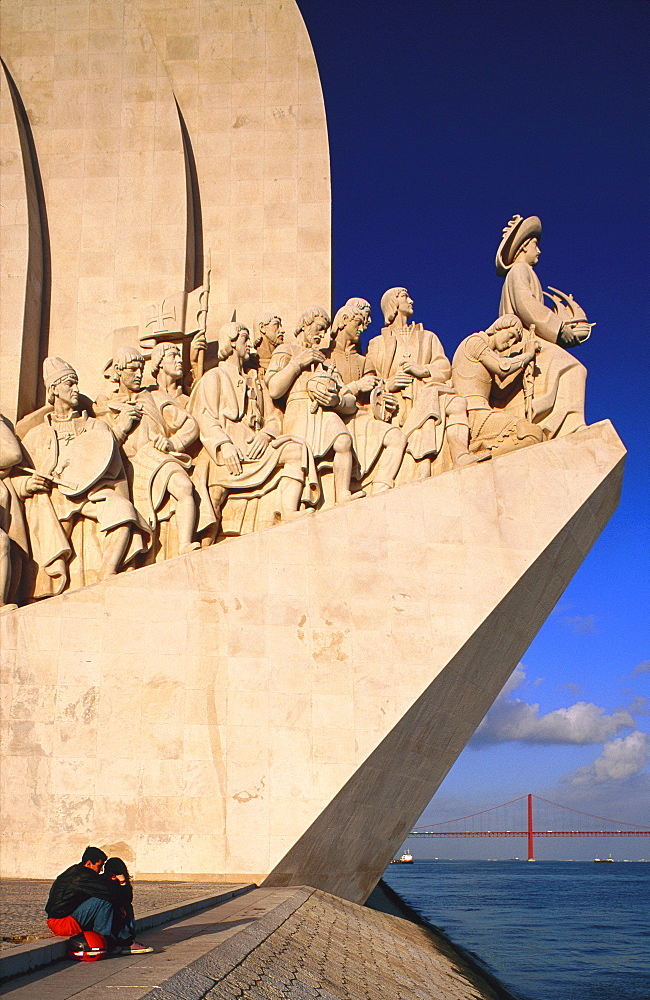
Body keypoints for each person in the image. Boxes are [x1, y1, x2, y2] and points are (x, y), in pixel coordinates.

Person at [15, 358, 151, 597]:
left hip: (92, 494)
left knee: (122, 511)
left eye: (76, 383)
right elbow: (13, 477)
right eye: (70, 383)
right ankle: (39, 588)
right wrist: (27, 484)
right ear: (54, 389)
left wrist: (123, 499)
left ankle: (108, 572)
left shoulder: (97, 427)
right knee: (49, 524)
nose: (76, 389)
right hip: (54, 498)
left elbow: (115, 470)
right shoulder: (36, 435)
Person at [189, 322, 316, 535]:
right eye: (245, 339)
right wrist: (224, 445)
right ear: (231, 342)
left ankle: (289, 510)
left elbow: (275, 417)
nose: (250, 345)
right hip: (229, 451)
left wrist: (266, 435)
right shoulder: (214, 377)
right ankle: (203, 543)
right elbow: (204, 415)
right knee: (214, 496)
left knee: (296, 450)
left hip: (257, 448)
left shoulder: (255, 381)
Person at [366, 288, 478, 479]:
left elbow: (444, 366)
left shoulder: (428, 337)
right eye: (405, 297)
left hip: (428, 390)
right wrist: (388, 384)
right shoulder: (377, 343)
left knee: (456, 402)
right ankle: (422, 465)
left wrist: (423, 370)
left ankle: (460, 455)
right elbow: (370, 380)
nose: (411, 301)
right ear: (393, 304)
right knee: (430, 400)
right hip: (397, 402)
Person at [495, 214, 591, 437]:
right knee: (574, 368)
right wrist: (558, 328)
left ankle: (563, 423)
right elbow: (526, 306)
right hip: (521, 341)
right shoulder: (519, 271)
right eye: (535, 245)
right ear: (523, 248)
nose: (538, 251)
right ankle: (565, 426)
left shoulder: (527, 273)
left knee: (572, 368)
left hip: (534, 338)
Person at [265, 307, 364, 505]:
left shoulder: (326, 362)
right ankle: (294, 505)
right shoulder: (286, 351)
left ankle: (342, 493)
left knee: (343, 441)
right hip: (299, 409)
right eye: (318, 328)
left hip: (325, 411)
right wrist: (298, 363)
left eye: (325, 330)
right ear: (305, 326)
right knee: (300, 458)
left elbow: (349, 399)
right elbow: (274, 389)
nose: (321, 334)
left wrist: (337, 401)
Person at [330, 298, 407, 494]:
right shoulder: (324, 357)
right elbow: (324, 395)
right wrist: (355, 386)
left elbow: (376, 396)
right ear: (344, 320)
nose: (362, 329)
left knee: (396, 437)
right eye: (358, 323)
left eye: (365, 324)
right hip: (335, 421)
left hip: (363, 419)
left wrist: (384, 401)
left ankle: (381, 490)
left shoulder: (364, 362)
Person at [451, 314, 544, 456]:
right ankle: (483, 458)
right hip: (473, 413)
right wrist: (528, 355)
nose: (511, 342)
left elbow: (500, 391)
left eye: (515, 340)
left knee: (530, 434)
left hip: (482, 412)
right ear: (499, 328)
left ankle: (485, 457)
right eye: (511, 335)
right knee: (532, 433)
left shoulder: (489, 356)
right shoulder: (475, 341)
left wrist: (523, 364)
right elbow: (503, 367)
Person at [45, 846, 151, 954]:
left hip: (64, 919)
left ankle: (122, 941)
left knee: (116, 902)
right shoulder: (82, 876)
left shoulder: (79, 872)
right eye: (99, 866)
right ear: (88, 863)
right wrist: (122, 890)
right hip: (63, 923)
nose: (100, 870)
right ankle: (106, 941)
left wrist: (121, 885)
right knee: (104, 900)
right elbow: (109, 893)